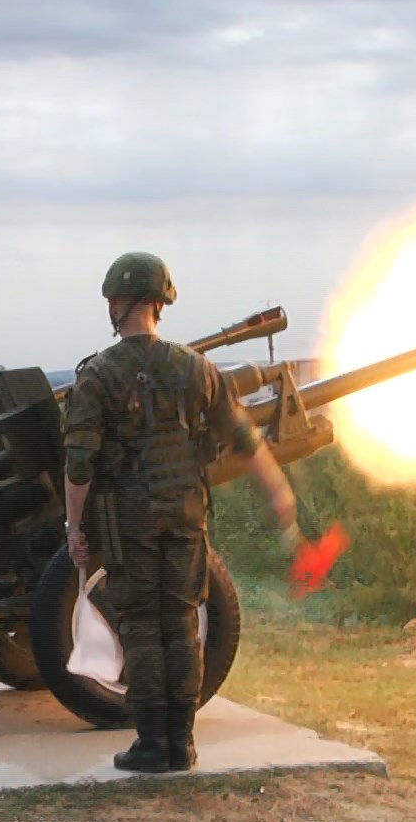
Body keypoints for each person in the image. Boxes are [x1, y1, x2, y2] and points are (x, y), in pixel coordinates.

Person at [61, 252, 296, 773]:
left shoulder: (98, 375)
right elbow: (242, 437)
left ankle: (151, 743)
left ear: (118, 303)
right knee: (183, 624)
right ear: (160, 302)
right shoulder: (197, 369)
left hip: (129, 523)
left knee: (143, 627)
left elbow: (79, 463)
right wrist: (278, 492)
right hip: (187, 516)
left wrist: (75, 528)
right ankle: (182, 742)